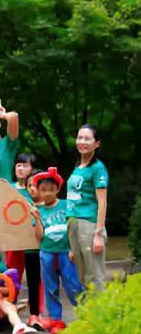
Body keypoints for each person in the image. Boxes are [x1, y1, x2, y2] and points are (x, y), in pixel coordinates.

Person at [31, 168, 84, 334]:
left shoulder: (65, 205)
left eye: (50, 189)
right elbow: (39, 236)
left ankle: (85, 315)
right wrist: (37, 218)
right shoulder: (38, 211)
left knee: (73, 285)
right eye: (43, 190)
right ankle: (56, 320)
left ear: (57, 189)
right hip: (46, 252)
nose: (47, 193)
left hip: (65, 252)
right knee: (50, 287)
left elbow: (74, 228)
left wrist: (74, 248)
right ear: (38, 191)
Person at [66, 124, 108, 291]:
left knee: (94, 275)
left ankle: (101, 314)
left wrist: (98, 234)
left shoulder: (98, 169)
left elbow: (102, 202)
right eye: (79, 137)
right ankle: (89, 313)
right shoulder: (78, 166)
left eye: (87, 138)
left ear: (96, 144)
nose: (82, 142)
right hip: (73, 223)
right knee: (82, 276)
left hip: (89, 225)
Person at [5, 153, 44, 329]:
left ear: (32, 169)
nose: (21, 169)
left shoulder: (38, 189)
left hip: (34, 243)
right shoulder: (8, 187)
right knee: (13, 277)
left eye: (25, 165)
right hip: (14, 241)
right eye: (18, 165)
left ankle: (36, 314)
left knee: (36, 278)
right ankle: (8, 311)